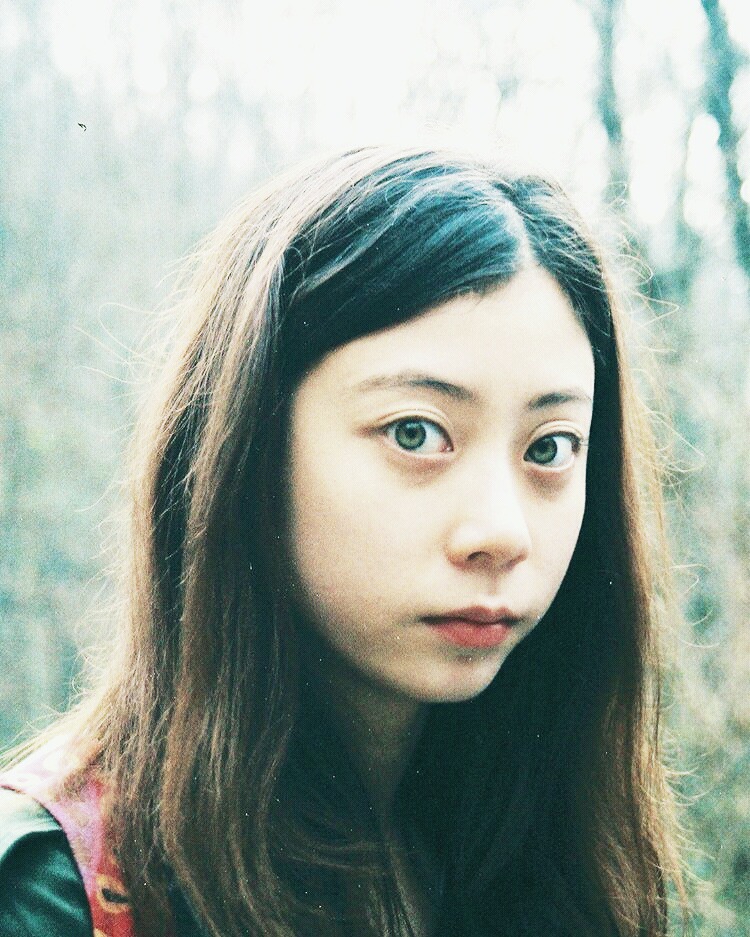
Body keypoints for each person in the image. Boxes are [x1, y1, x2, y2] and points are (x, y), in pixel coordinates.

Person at [0, 146, 685, 937]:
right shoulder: (51, 895)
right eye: (415, 432)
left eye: (550, 447)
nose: (502, 530)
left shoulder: (561, 859)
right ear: (247, 449)